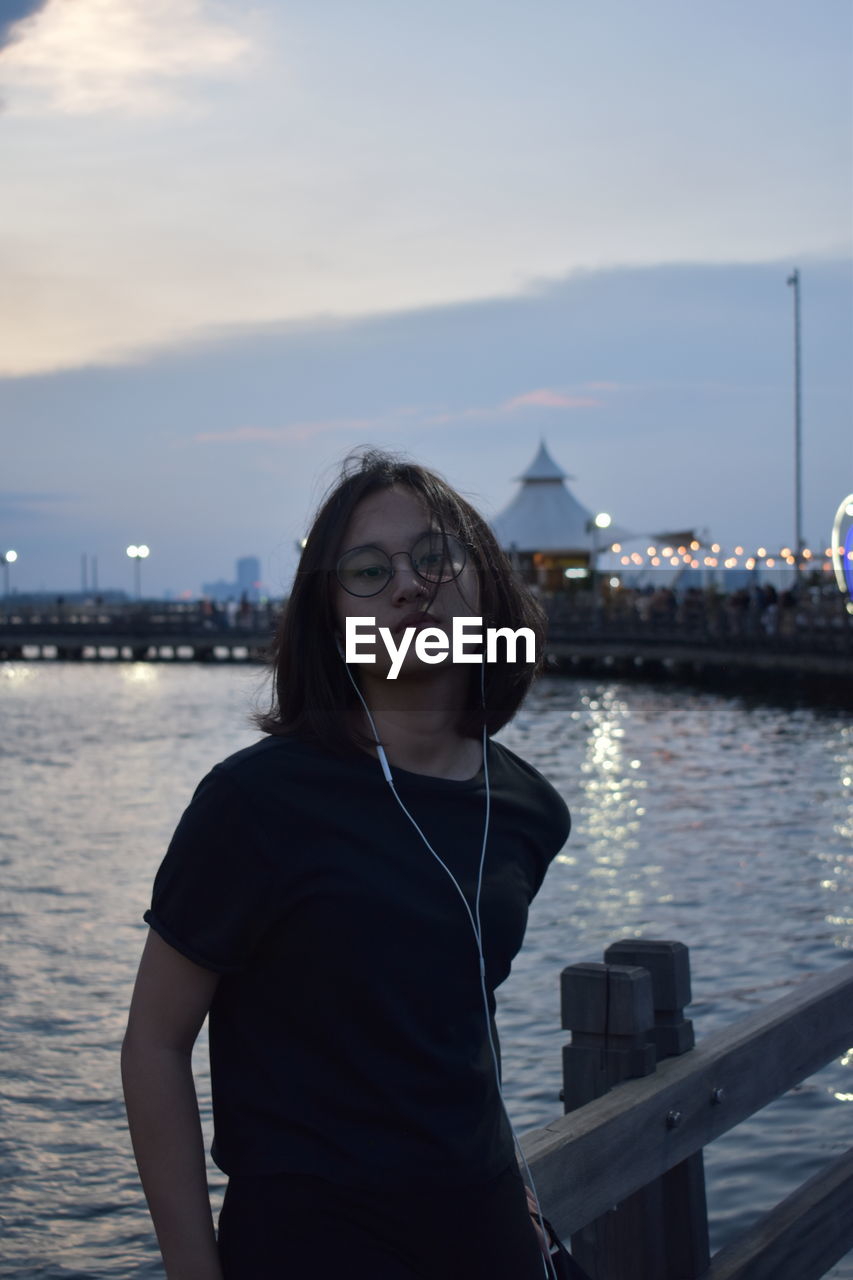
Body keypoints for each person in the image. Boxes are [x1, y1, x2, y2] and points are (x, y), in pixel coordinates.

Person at [121, 449, 571, 1280]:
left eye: (434, 556)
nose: (409, 585)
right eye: (368, 570)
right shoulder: (255, 804)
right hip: (312, 1245)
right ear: (332, 621)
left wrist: (521, 1192)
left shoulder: (528, 811)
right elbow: (153, 1042)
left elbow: (456, 1022)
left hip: (489, 1236)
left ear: (486, 587)